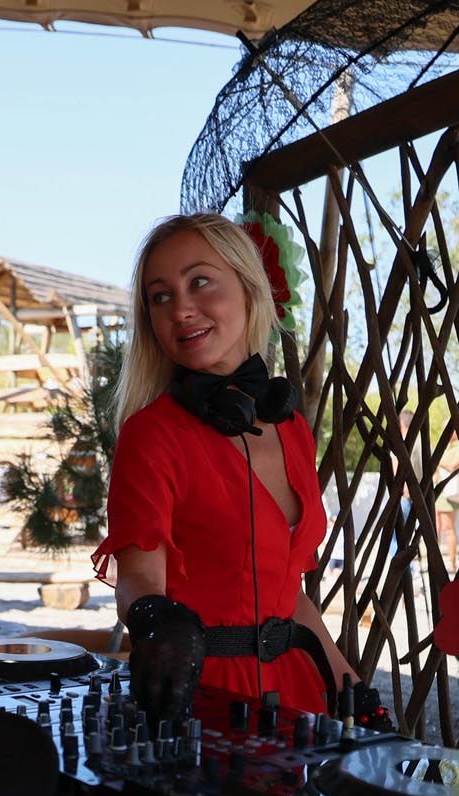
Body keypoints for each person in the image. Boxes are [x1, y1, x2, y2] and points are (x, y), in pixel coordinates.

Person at [93, 213, 357, 719]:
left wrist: (349, 681)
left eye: (199, 282)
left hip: (298, 691)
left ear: (248, 287)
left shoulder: (291, 428)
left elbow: (290, 596)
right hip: (204, 695)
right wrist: (158, 623)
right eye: (161, 296)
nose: (182, 310)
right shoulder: (152, 435)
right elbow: (138, 580)